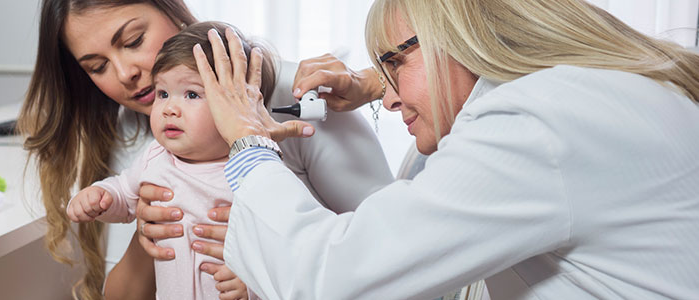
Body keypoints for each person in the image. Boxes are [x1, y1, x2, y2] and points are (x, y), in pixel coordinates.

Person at [193, 0, 699, 299]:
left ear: (459, 38)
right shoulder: (599, 90)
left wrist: (248, 140)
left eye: (393, 65)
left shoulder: (531, 124)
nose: (388, 98)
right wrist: (379, 79)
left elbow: (331, 279)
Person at [16, 0, 394, 299]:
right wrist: (149, 233)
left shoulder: (298, 101)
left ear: (172, 8)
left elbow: (396, 258)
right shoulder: (138, 131)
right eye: (97, 66)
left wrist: (272, 252)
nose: (124, 73)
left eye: (133, 41)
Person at [66, 21, 272, 300]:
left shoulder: (255, 169)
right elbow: (125, 196)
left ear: (240, 107)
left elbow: (283, 256)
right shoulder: (155, 157)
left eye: (191, 94)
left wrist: (253, 285)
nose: (169, 109)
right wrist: (100, 196)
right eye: (163, 93)